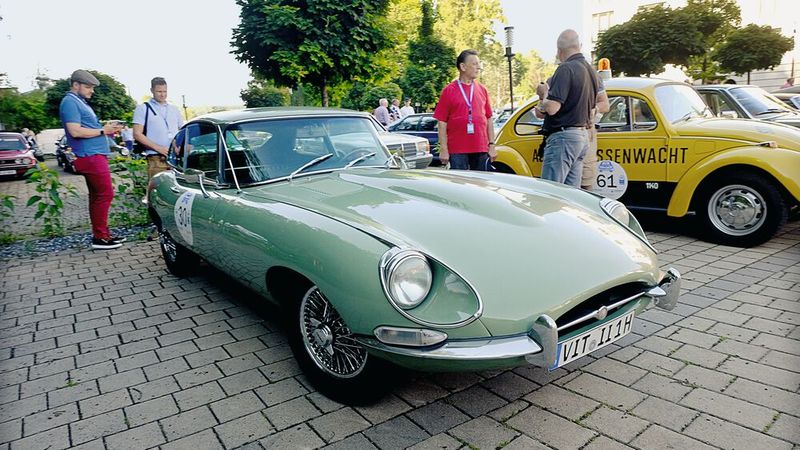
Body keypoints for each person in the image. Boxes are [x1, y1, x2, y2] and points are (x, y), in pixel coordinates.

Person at [59, 69, 124, 250]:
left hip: (94, 154)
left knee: (97, 197)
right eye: (88, 87)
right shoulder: (70, 102)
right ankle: (101, 238)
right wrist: (104, 130)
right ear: (75, 85)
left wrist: (107, 128)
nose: (91, 91)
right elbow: (75, 131)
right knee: (105, 194)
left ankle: (101, 235)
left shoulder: (78, 102)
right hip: (90, 156)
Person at [534, 30, 598, 187]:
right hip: (582, 136)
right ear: (578, 46)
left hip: (563, 138)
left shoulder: (565, 69)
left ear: (559, 51)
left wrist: (543, 94)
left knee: (551, 192)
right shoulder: (591, 71)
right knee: (570, 196)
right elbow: (593, 108)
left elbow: (552, 108)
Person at [433, 49, 495, 171]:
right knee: (459, 186)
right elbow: (442, 122)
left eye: (479, 64)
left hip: (480, 147)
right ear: (463, 66)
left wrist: (492, 145)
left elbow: (489, 118)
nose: (479, 67)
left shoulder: (482, 90)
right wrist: (444, 149)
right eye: (474, 64)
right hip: (457, 149)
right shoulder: (449, 90)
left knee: (481, 184)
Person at [133, 77, 184, 180]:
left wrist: (180, 146)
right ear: (152, 90)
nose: (162, 94)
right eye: (159, 91)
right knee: (158, 190)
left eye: (165, 91)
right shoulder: (143, 108)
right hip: (156, 159)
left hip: (175, 158)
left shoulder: (174, 109)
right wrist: (158, 148)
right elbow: (137, 134)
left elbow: (181, 131)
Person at [582, 68, 609, 191]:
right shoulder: (558, 77)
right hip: (577, 130)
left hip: (586, 129)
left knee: (586, 176)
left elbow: (605, 104)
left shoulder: (594, 78)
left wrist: (592, 110)